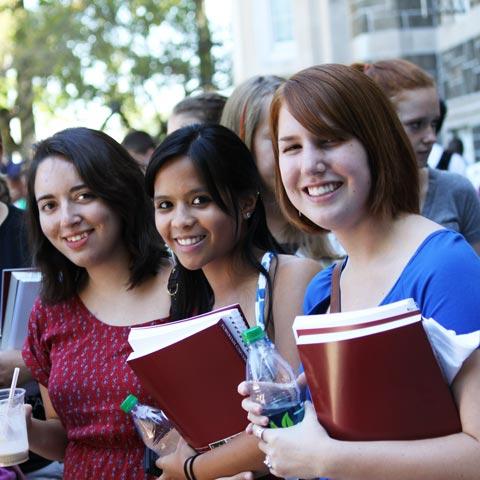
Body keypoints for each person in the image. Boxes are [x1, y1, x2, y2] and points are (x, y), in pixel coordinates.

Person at [239, 64, 480, 480]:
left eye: (329, 140)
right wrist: (287, 414)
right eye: (292, 147)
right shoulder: (322, 288)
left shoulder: (445, 266)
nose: (311, 164)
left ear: (376, 144)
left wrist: (325, 459)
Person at [144, 123, 321, 479]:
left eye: (200, 201)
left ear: (246, 203)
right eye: (166, 205)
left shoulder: (291, 277)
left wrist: (192, 469)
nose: (181, 221)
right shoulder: (184, 299)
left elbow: (287, 419)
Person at [21, 127, 172, 479]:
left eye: (84, 195)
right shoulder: (50, 310)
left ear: (119, 192)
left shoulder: (187, 291)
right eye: (49, 205)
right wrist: (25, 430)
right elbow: (68, 439)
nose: (67, 218)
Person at [353, 59, 480, 254]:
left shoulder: (457, 190)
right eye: (416, 125)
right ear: (378, 125)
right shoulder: (349, 199)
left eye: (434, 124)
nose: (431, 137)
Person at [221, 75, 338, 263]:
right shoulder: (220, 251)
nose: (306, 159)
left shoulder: (339, 233)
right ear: (242, 145)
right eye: (281, 139)